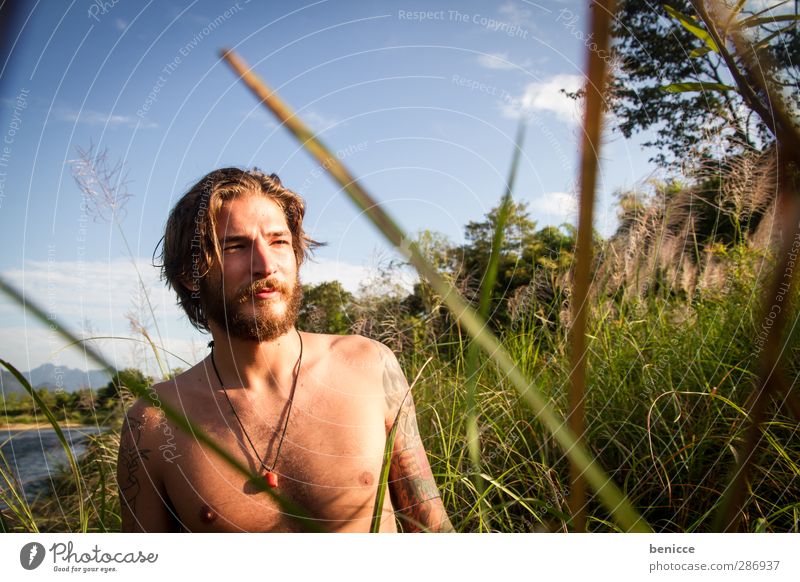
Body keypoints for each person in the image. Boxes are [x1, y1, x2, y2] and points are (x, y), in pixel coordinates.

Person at [117, 167, 454, 533]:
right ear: (190, 273)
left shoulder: (370, 367)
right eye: (235, 246)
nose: (266, 266)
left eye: (279, 242)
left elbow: (432, 532)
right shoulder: (153, 423)